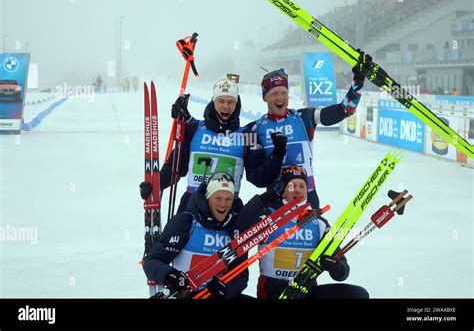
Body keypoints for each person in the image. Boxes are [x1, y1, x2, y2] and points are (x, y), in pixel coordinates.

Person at [141, 75, 284, 214]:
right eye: (221, 101)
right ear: (213, 102)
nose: (226, 107)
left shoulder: (247, 135)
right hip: (193, 203)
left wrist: (277, 154)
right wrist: (155, 184)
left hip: (228, 206)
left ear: (237, 103)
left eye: (230, 102)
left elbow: (258, 178)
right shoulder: (194, 129)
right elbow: (175, 167)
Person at [246, 55, 369, 210]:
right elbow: (255, 177)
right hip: (275, 204)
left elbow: (344, 110)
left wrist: (358, 82)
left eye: (284, 92)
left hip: (308, 199)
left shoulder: (304, 118)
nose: (280, 98)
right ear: (265, 97)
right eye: (274, 93)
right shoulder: (253, 129)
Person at [233, 165, 369, 299]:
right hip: (273, 289)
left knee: (357, 294)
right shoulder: (267, 217)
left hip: (305, 289)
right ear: (284, 191)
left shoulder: (319, 222)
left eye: (302, 186)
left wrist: (336, 267)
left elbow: (343, 272)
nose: (297, 190)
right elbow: (241, 224)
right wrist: (262, 200)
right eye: (292, 186)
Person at [143, 172, 277, 299]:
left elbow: (240, 276)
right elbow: (152, 261)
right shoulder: (186, 222)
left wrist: (225, 290)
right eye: (218, 198)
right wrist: (171, 276)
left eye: (228, 199)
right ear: (207, 198)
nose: (223, 204)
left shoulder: (235, 228)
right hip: (187, 294)